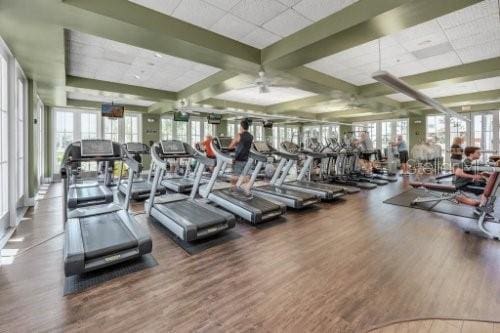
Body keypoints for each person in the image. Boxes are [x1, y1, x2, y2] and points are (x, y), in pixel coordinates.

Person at [228, 120, 253, 196]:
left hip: (238, 159)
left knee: (234, 177)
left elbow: (230, 146)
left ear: (241, 127)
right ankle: (246, 191)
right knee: (246, 177)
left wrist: (235, 146)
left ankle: (232, 192)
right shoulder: (251, 136)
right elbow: (247, 146)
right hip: (247, 159)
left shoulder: (239, 135)